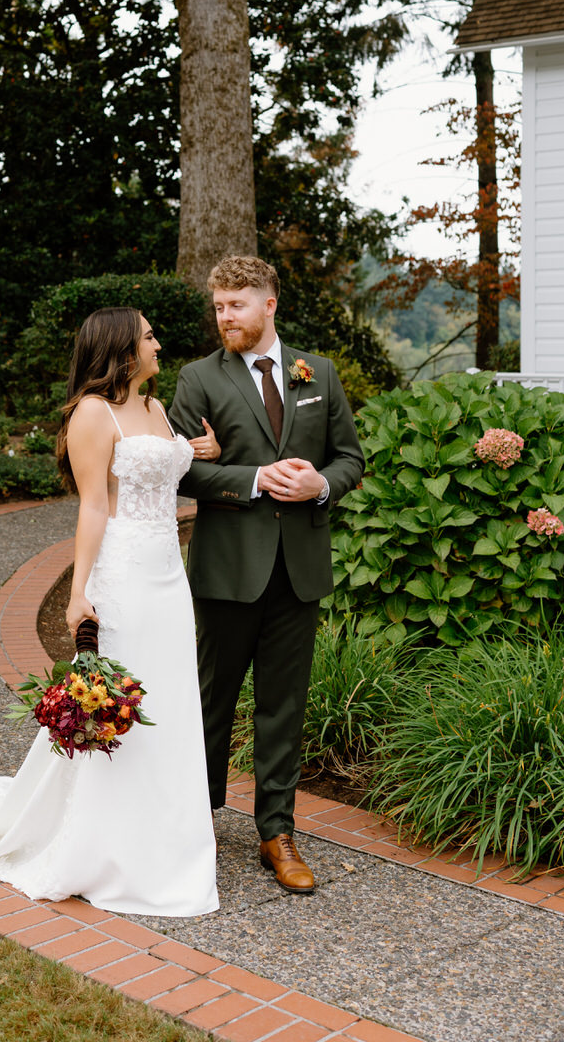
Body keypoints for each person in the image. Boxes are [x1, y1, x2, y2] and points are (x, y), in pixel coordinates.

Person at [0, 307, 219, 917]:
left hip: (170, 575)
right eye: (148, 336)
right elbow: (95, 506)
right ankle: (106, 845)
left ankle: (165, 835)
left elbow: (162, 473)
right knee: (124, 700)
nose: (159, 343)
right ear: (121, 348)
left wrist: (198, 451)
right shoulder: (94, 413)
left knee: (169, 699)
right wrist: (78, 591)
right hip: (125, 573)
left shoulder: (154, 406)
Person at [169, 256, 364, 895]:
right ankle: (194, 824)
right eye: (219, 305)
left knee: (284, 707)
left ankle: (276, 833)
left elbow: (349, 459)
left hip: (298, 571)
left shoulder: (319, 373)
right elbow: (176, 468)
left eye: (236, 305)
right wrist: (251, 479)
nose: (224, 316)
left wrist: (318, 486)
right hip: (228, 570)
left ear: (269, 304)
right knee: (210, 702)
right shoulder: (198, 379)